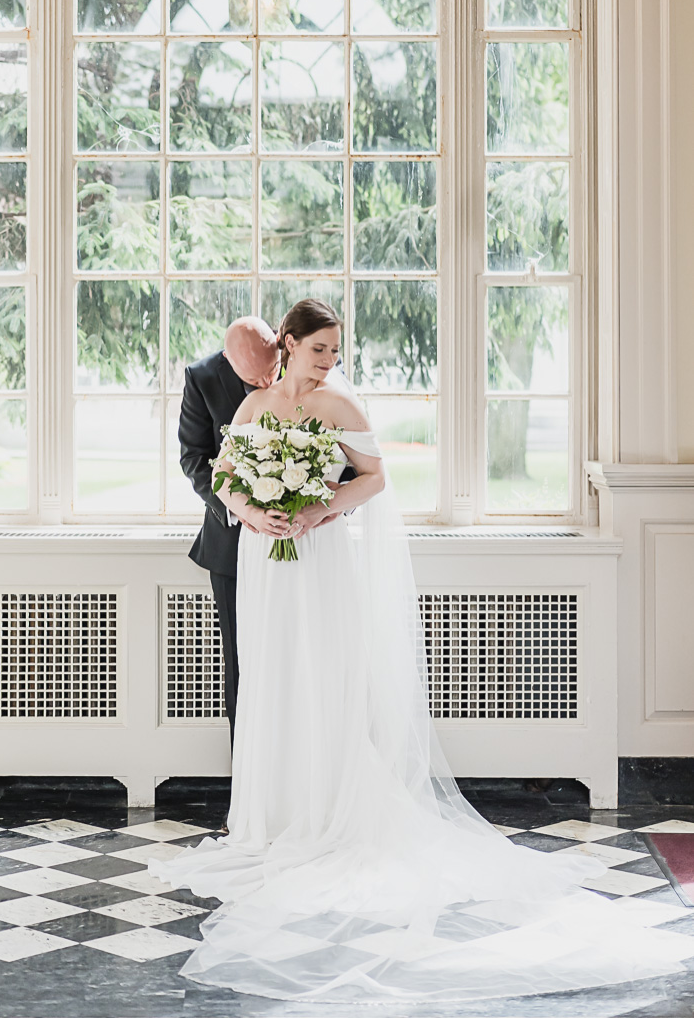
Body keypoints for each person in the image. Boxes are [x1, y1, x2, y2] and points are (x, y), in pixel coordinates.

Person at [152, 299, 687, 1008]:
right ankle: (271, 817)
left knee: (322, 679)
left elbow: (373, 478)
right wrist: (255, 511)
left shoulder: (338, 405)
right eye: (319, 351)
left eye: (336, 352)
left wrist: (319, 509)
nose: (329, 364)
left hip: (317, 564)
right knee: (271, 684)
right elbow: (223, 476)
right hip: (263, 569)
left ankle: (328, 811)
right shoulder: (252, 408)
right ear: (287, 345)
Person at [178, 317, 279, 747]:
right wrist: (243, 507)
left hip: (303, 540)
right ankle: (247, 788)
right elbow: (194, 458)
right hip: (230, 546)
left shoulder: (310, 365)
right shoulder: (201, 379)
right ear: (227, 361)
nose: (266, 383)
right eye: (252, 377)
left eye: (271, 371)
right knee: (241, 663)